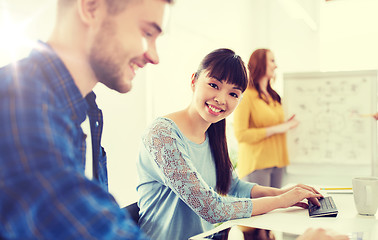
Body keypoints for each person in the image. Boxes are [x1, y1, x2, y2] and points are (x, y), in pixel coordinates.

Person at [0, 0, 173, 239]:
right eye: (146, 33)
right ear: (91, 7)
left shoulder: (88, 113)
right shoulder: (17, 101)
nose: (154, 56)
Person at [136, 48, 325, 240]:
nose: (221, 99)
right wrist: (281, 200)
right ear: (193, 80)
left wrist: (286, 193)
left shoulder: (212, 133)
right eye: (213, 85)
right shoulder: (162, 134)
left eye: (233, 94)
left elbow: (234, 186)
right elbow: (211, 208)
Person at [233, 48, 299, 188]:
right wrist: (280, 128)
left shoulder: (274, 96)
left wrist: (286, 124)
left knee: (277, 209)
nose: (276, 66)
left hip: (278, 162)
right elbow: (241, 135)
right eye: (272, 60)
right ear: (260, 63)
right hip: (257, 164)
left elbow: (276, 126)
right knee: (262, 209)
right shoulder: (246, 96)